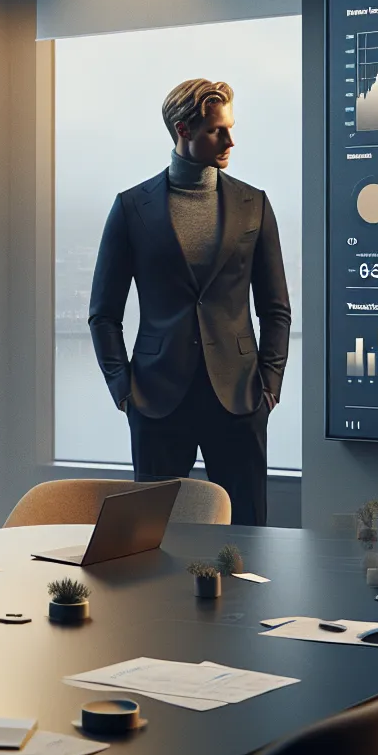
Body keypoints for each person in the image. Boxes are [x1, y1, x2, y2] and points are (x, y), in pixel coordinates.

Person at [88, 78, 291, 525]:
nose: (230, 141)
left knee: (247, 534)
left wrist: (269, 388)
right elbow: (103, 314)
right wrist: (124, 390)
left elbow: (276, 308)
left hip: (239, 398)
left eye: (230, 128)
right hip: (156, 399)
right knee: (151, 537)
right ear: (184, 130)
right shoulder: (131, 208)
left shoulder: (254, 204)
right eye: (218, 131)